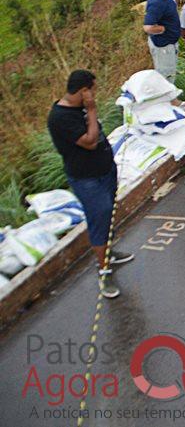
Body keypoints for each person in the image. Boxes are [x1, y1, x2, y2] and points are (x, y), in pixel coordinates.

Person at [48, 70, 133, 299]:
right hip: (87, 179)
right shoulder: (61, 117)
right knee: (99, 219)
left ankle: (109, 253)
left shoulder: (79, 109)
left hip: (105, 171)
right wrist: (93, 111)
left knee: (108, 214)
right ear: (83, 90)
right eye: (92, 89)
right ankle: (103, 271)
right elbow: (90, 141)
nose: (94, 94)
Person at [143, 0, 181, 82]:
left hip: (171, 43)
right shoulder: (156, 3)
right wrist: (162, 29)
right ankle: (167, 99)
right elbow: (148, 27)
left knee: (172, 75)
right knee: (166, 78)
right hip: (163, 48)